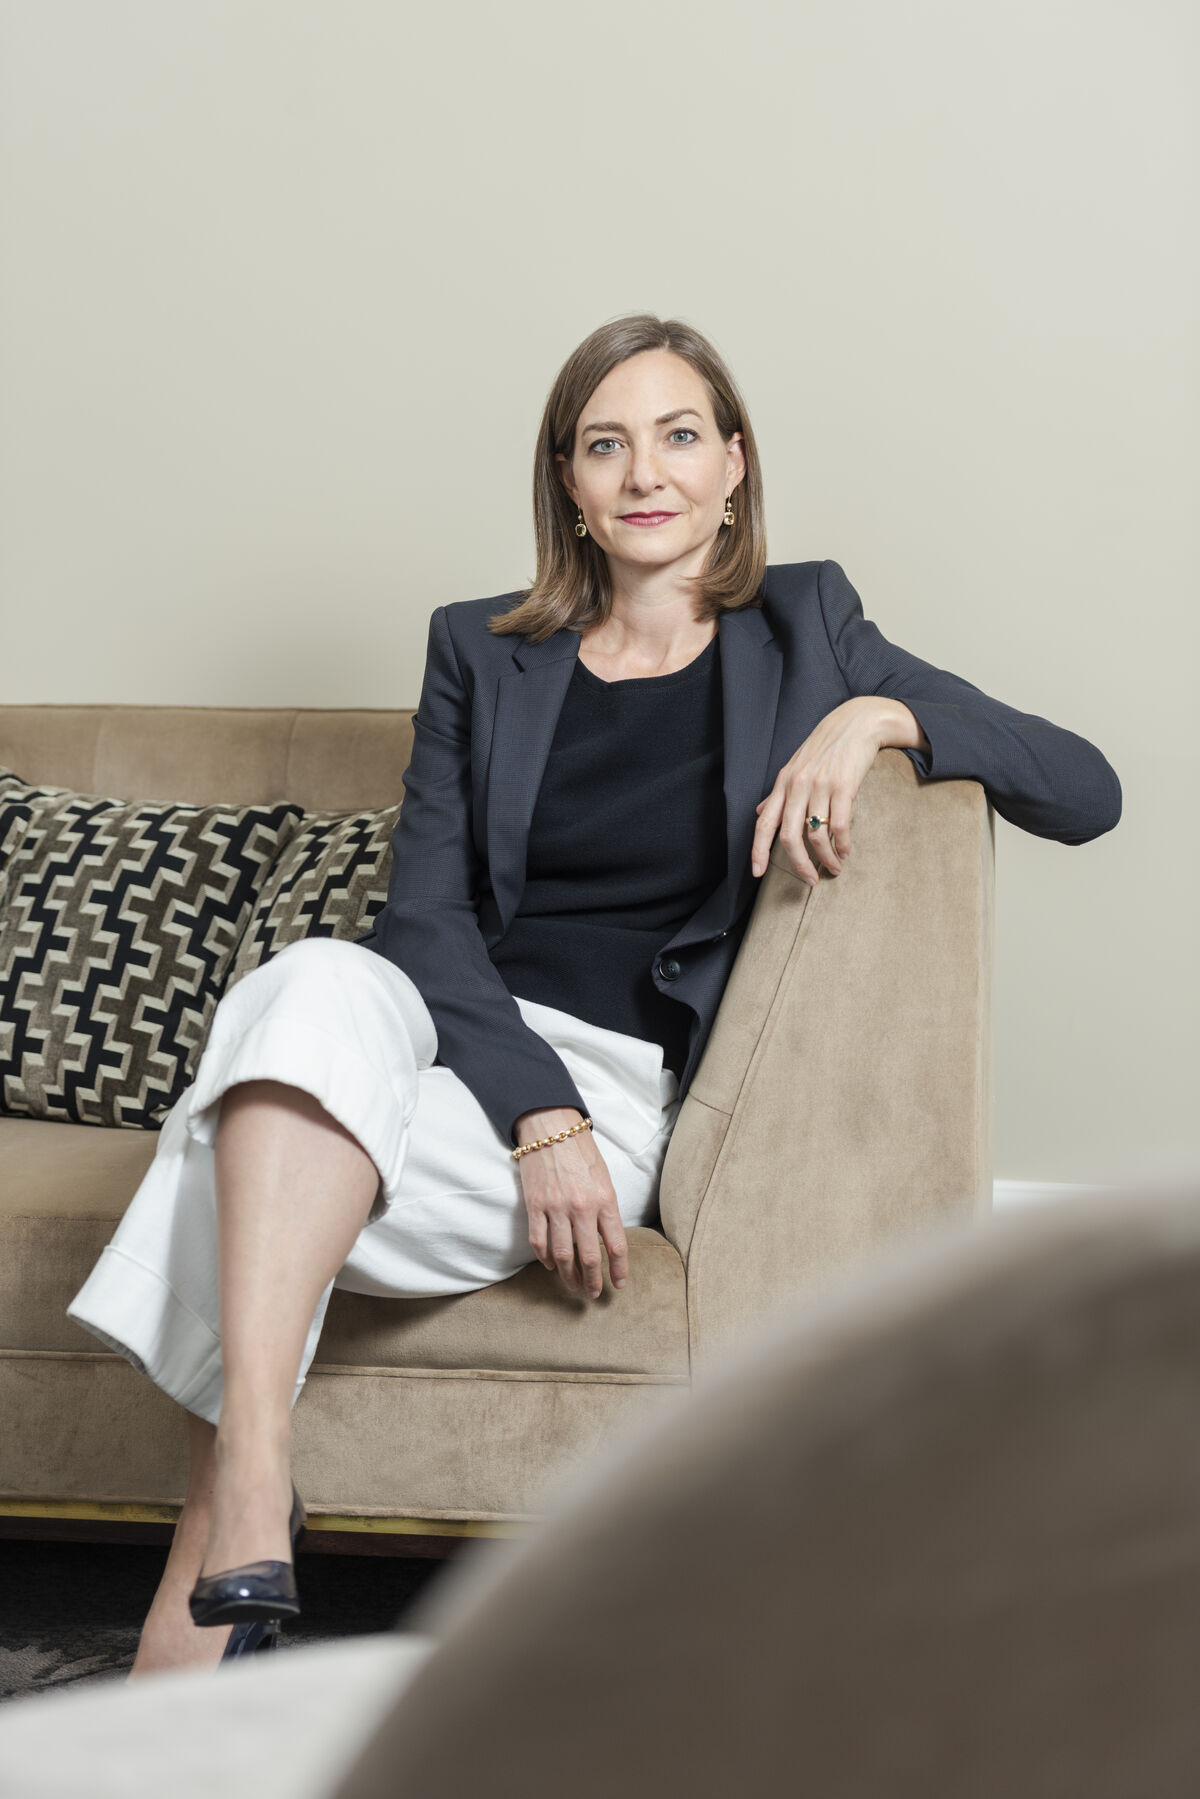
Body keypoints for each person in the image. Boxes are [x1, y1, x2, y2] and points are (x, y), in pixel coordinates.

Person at [66, 312, 1122, 1677]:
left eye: (679, 436)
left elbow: (1084, 787)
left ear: (734, 464)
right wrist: (535, 1113)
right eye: (606, 445)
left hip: (618, 1080)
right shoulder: (479, 647)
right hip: (448, 1040)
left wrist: (878, 717)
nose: (646, 473)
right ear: (567, 481)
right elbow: (426, 921)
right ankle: (262, 1479)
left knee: (233, 1144)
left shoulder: (810, 626)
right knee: (312, 979)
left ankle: (204, 1570)